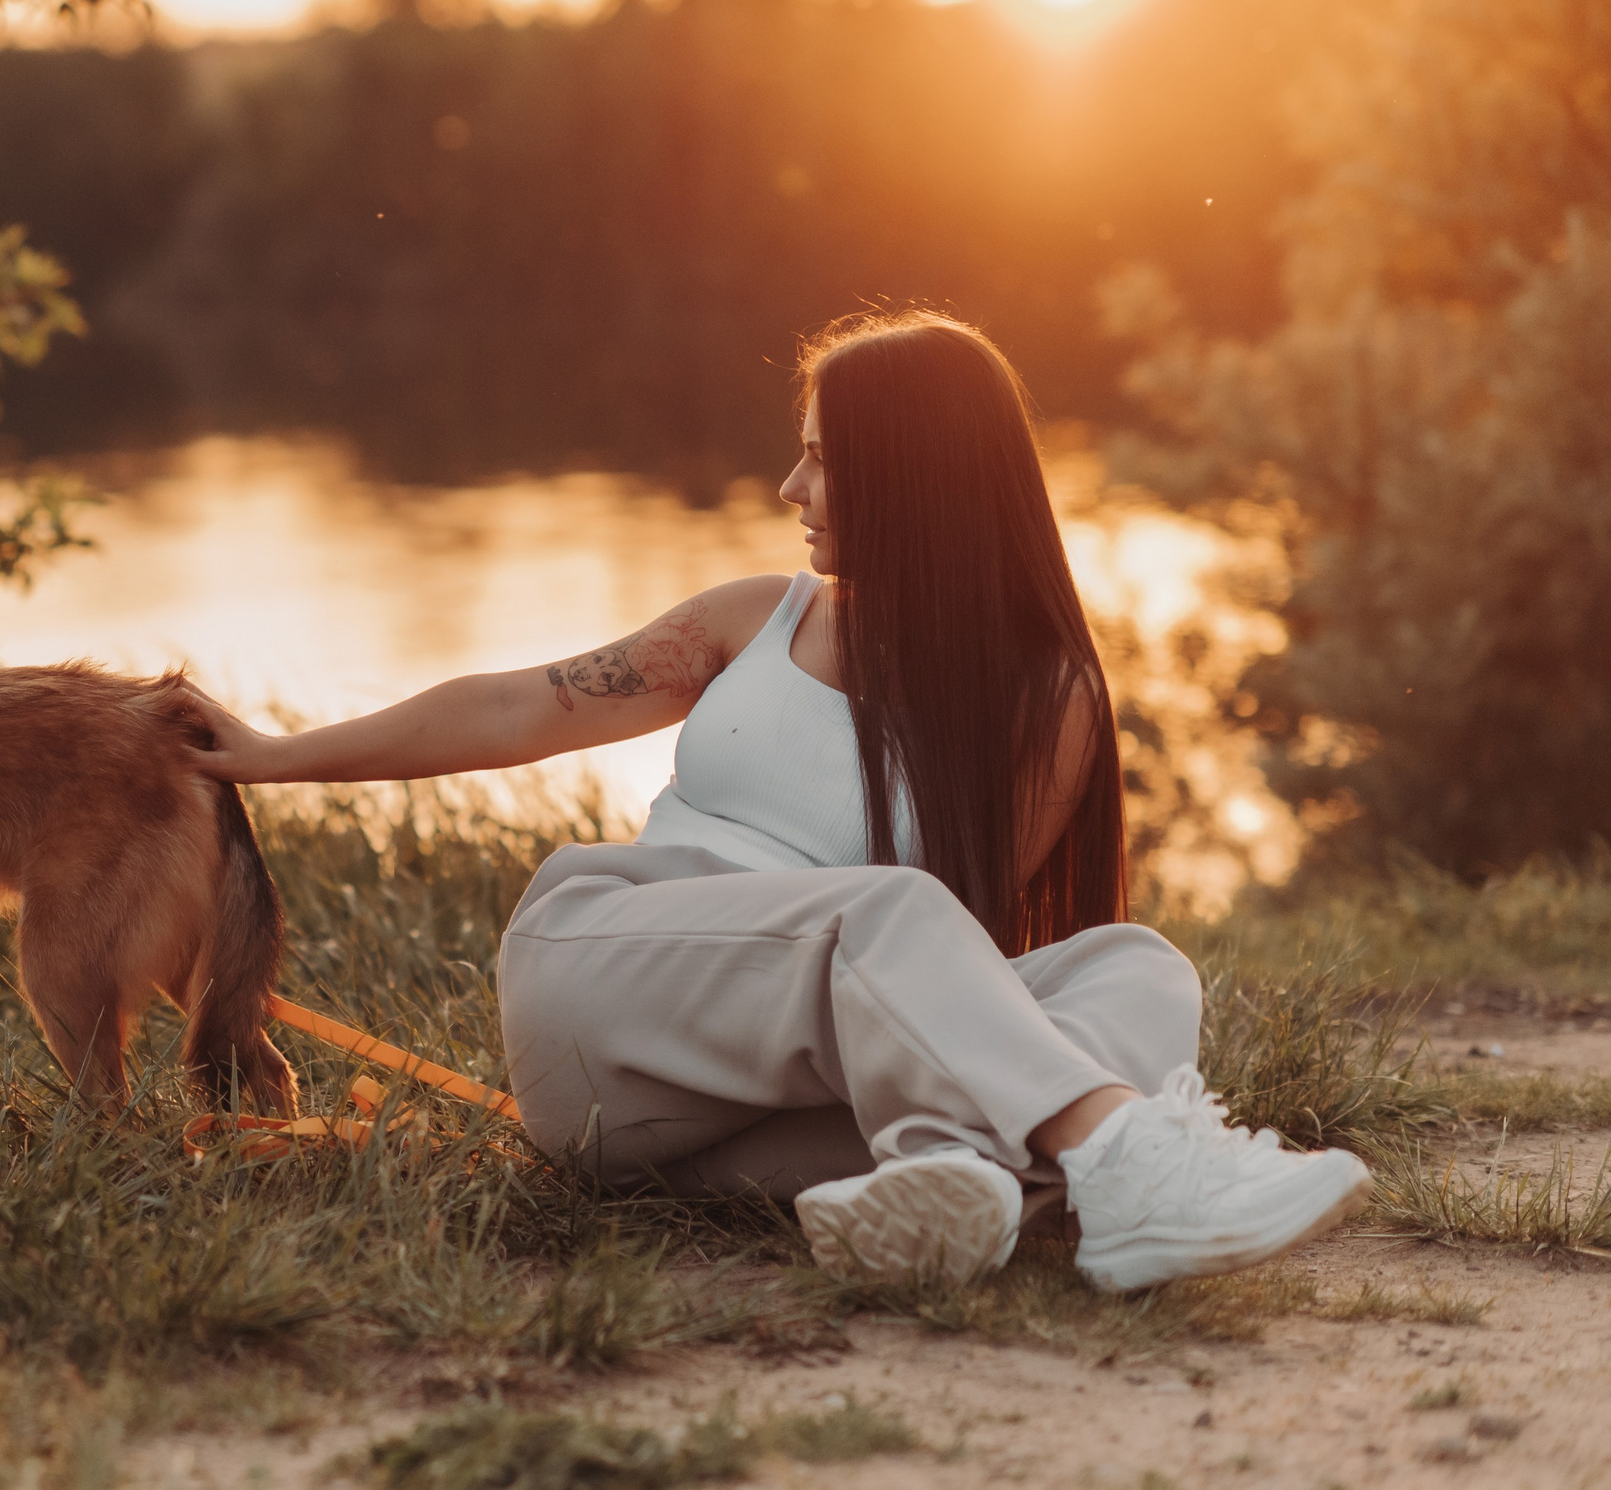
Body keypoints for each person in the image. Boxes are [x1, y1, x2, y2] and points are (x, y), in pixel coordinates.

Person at [178, 311, 1371, 1292]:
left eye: (821, 454)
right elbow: (513, 709)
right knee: (887, 910)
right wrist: (275, 757)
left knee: (1137, 965)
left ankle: (968, 1188)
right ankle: (1130, 1162)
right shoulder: (759, 619)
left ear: (913, 475)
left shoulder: (1045, 700)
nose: (790, 482)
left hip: (741, 1120)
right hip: (604, 995)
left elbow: (960, 956)